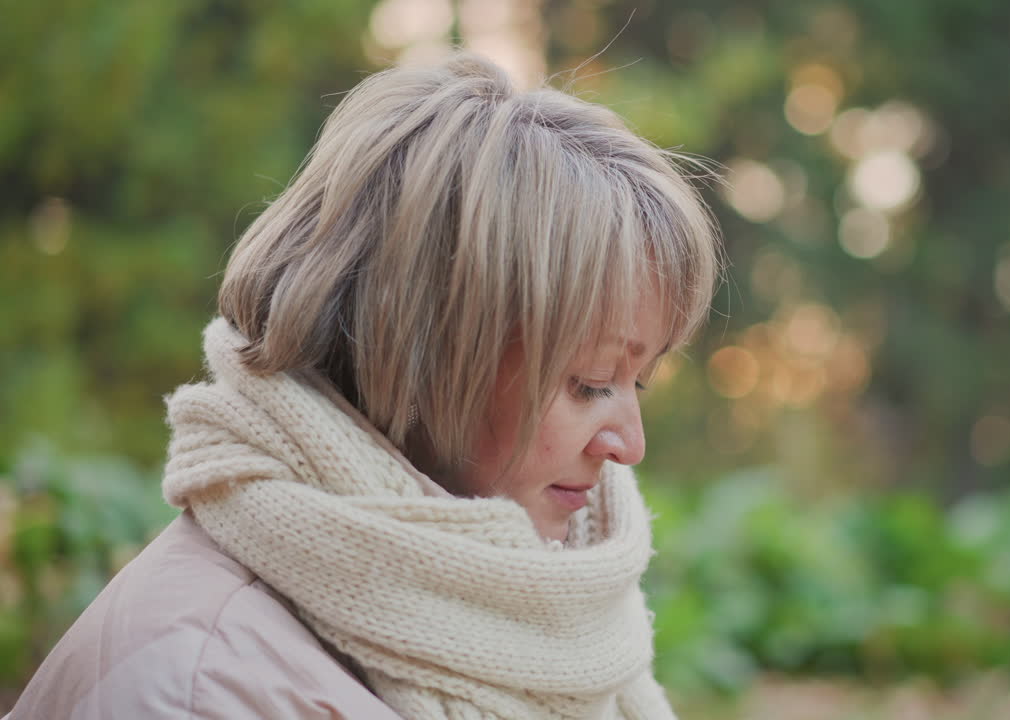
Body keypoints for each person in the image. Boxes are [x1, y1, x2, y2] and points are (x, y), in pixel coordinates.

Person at [8, 53, 720, 720]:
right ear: (423, 353)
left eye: (639, 383)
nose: (630, 445)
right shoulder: (205, 687)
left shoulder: (561, 614)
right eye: (591, 382)